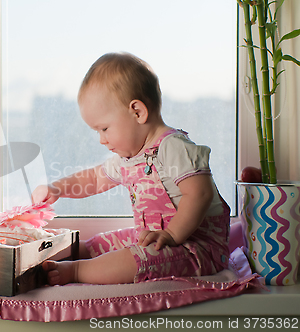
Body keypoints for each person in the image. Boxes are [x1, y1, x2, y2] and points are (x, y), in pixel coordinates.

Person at [31, 52, 230, 286]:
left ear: (137, 112)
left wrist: (172, 235)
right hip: (156, 239)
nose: (101, 140)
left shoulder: (173, 147)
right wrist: (58, 188)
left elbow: (200, 193)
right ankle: (79, 253)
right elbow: (95, 179)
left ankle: (77, 272)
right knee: (104, 242)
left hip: (196, 248)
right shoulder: (129, 157)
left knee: (136, 259)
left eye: (104, 129)